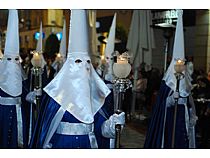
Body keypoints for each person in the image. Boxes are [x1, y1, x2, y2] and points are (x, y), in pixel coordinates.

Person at [29, 9, 125, 149]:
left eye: (87, 63)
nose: (83, 68)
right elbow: (46, 129)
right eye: (78, 62)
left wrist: (112, 125)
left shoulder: (95, 96)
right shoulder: (56, 96)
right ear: (68, 66)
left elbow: (102, 130)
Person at [144, 10, 197, 148]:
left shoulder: (185, 80)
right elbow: (162, 105)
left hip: (183, 117)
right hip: (169, 119)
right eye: (178, 63)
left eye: (182, 63)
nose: (180, 66)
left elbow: (189, 99)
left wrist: (192, 114)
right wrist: (170, 99)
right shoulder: (167, 83)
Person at [0, 9, 28, 148]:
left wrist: (31, 96)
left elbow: (25, 92)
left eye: (16, 59)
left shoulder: (19, 76)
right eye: (10, 59)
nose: (13, 62)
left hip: (19, 114)